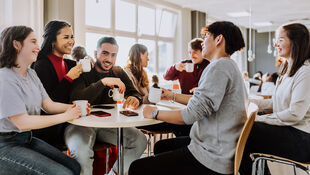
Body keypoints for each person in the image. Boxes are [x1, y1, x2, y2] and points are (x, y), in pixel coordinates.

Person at [129, 21, 247, 175]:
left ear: (218, 39)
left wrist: (154, 112)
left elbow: (190, 115)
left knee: (137, 168)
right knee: (161, 147)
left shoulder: (218, 67)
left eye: (205, 37)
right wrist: (172, 96)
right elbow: (201, 102)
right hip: (221, 147)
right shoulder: (229, 66)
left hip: (212, 156)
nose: (203, 42)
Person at [0, 26, 81, 175]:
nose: (38, 47)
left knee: (74, 167)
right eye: (33, 42)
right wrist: (66, 116)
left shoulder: (31, 73)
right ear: (16, 44)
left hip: (26, 138)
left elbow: (47, 105)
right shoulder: (4, 78)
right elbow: (22, 122)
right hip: (4, 145)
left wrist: (73, 108)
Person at [65, 37, 147, 175]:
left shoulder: (118, 72)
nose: (109, 59)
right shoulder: (83, 71)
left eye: (113, 55)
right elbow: (76, 98)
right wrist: (103, 82)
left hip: (107, 126)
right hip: (80, 124)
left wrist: (135, 98)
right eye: (105, 53)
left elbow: (136, 93)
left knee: (139, 140)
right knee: (81, 152)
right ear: (96, 53)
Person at [240, 23, 310, 174]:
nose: (275, 44)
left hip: (302, 138)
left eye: (280, 39)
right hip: (289, 131)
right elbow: (275, 102)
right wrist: (246, 100)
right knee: (241, 132)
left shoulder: (305, 72)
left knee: (244, 131)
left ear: (295, 42)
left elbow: (294, 113)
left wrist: (259, 119)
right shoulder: (287, 69)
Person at [31, 20, 82, 150]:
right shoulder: (41, 65)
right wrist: (69, 78)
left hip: (70, 123)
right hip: (49, 132)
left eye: (72, 37)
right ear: (53, 41)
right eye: (66, 37)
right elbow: (49, 104)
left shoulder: (70, 64)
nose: (71, 41)